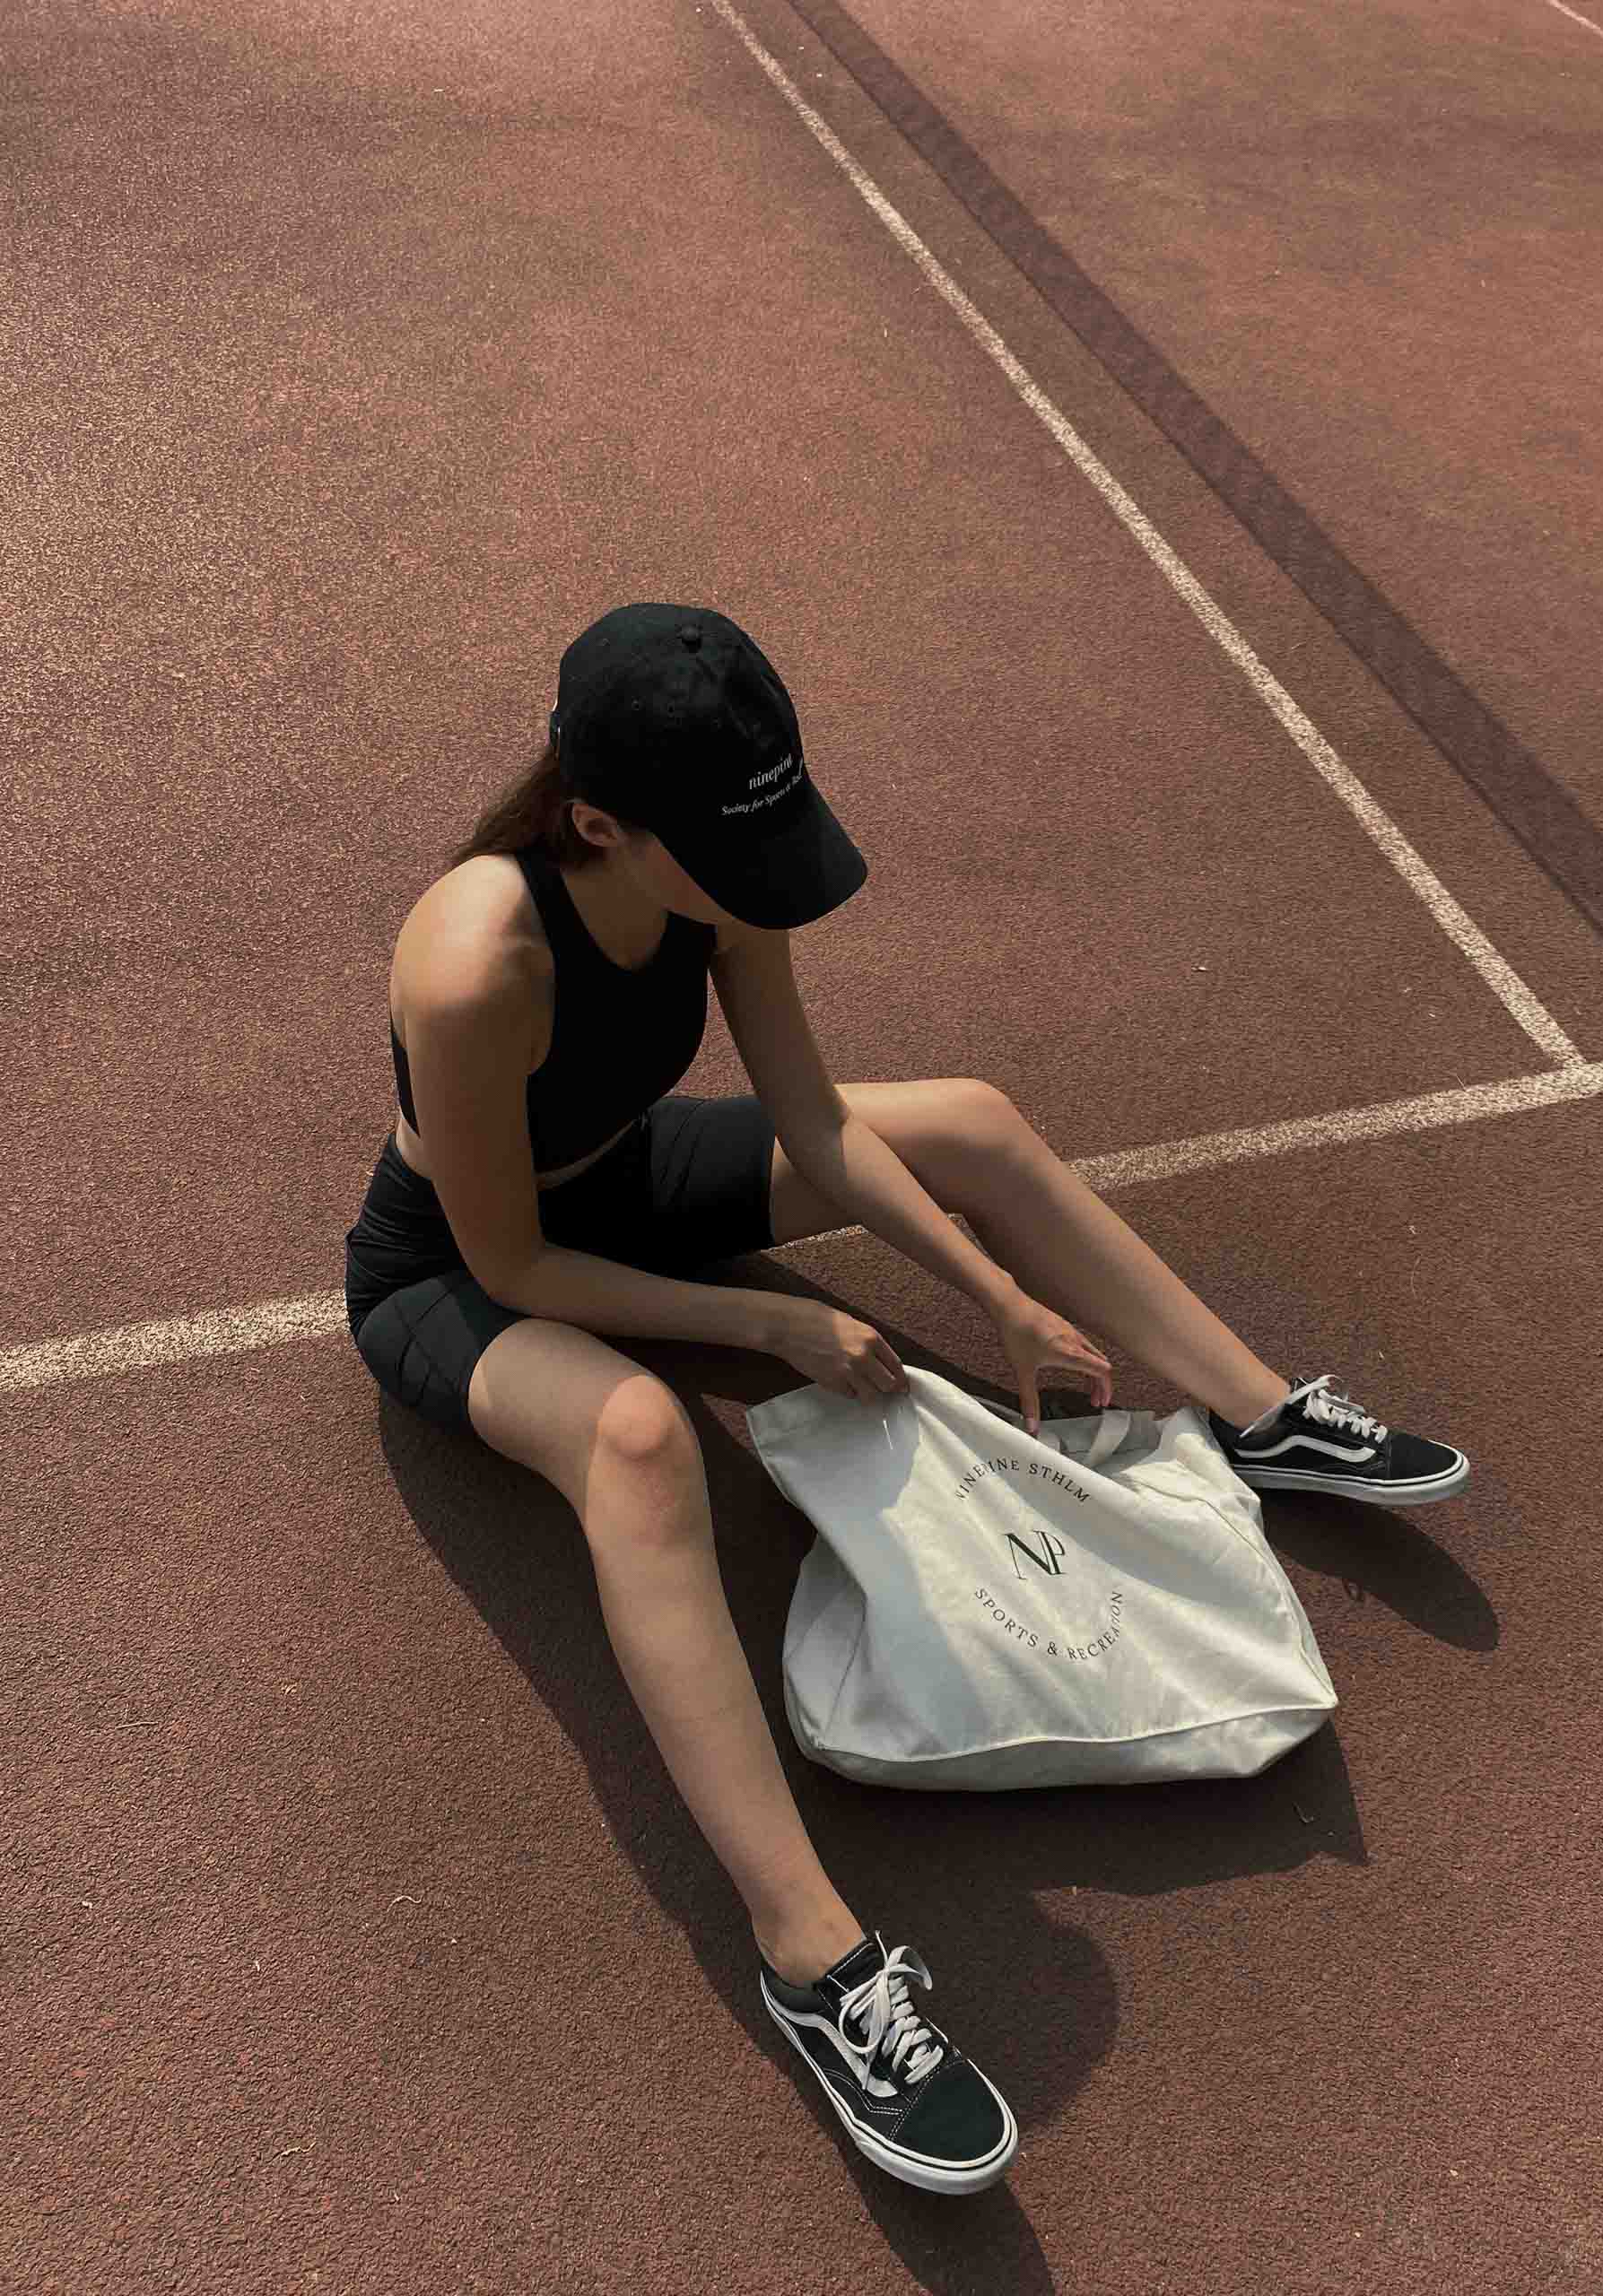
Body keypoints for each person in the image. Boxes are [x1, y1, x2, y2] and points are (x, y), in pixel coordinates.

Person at [343, 602, 1469, 2197]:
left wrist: (995, 1292)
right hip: (452, 1273)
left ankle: (1258, 1413)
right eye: (740, 856)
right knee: (645, 1441)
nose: (770, 878)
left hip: (628, 1186)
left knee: (977, 1122)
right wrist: (765, 1327)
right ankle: (813, 1960)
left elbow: (809, 1118)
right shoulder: (474, 959)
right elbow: (511, 1262)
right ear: (597, 822)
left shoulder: (727, 866)